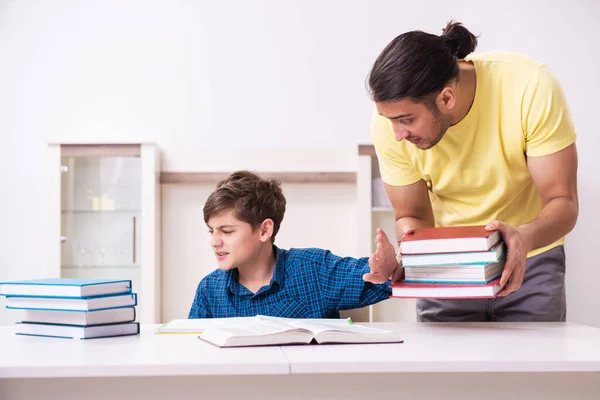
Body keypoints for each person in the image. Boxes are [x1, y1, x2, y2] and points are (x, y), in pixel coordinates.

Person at [363, 21, 578, 322]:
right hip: (445, 267)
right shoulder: (390, 124)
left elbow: (563, 202)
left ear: (446, 98)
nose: (397, 134)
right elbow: (411, 214)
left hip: (530, 261)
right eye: (391, 121)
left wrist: (523, 238)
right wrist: (407, 253)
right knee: (443, 369)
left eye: (407, 120)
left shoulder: (530, 86)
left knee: (533, 369)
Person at [188, 170, 398, 319]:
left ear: (264, 230)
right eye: (211, 230)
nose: (214, 241)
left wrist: (388, 269)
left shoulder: (313, 271)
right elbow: (193, 352)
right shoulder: (210, 290)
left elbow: (373, 276)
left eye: (226, 231)